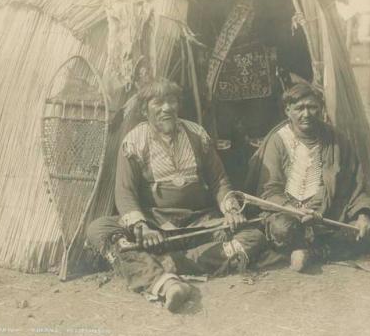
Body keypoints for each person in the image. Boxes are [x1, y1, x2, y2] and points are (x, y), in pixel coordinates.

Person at [85, 78, 268, 312]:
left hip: (199, 223)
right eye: (158, 103)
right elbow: (125, 192)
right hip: (157, 225)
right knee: (99, 229)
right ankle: (168, 285)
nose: (167, 108)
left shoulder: (197, 133)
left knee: (253, 235)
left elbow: (219, 180)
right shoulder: (134, 141)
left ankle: (167, 264)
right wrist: (143, 226)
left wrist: (230, 210)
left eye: (171, 101)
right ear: (144, 109)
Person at [244, 83, 370, 272]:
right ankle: (322, 247)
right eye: (299, 108)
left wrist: (363, 215)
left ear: (320, 108)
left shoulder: (337, 139)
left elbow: (355, 185)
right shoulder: (278, 141)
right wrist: (294, 211)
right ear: (287, 110)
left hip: (329, 213)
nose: (306, 114)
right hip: (288, 214)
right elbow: (269, 190)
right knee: (282, 229)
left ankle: (311, 252)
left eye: (312, 107)